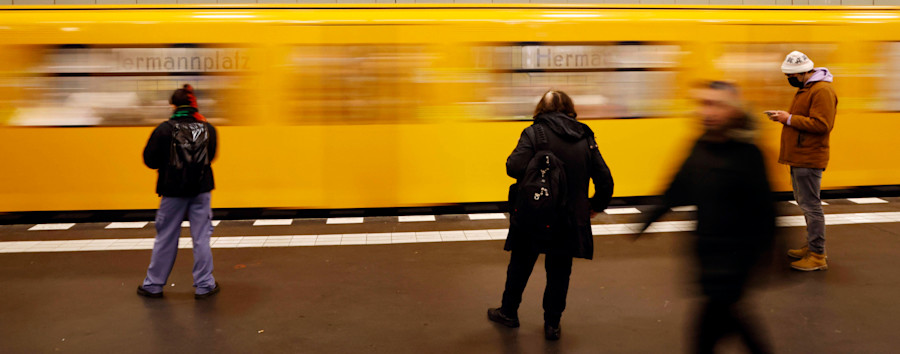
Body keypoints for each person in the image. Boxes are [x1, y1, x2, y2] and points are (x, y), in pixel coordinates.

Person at [639, 81, 775, 354]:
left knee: (707, 330)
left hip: (734, 260)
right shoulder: (699, 146)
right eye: (703, 103)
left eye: (716, 104)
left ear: (735, 111)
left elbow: (766, 210)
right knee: (729, 321)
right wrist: (649, 218)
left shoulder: (749, 154)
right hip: (707, 254)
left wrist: (766, 255)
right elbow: (677, 187)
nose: (706, 111)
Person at [488, 90, 614, 340]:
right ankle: (552, 325)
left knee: (521, 263)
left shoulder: (534, 133)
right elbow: (605, 179)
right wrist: (595, 206)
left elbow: (513, 167)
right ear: (569, 108)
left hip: (534, 211)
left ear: (540, 109)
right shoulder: (585, 135)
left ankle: (509, 312)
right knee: (559, 270)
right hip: (569, 218)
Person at [137, 84, 220, 299]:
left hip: (172, 193)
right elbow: (211, 156)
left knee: (166, 237)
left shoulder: (163, 130)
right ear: (194, 105)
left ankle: (153, 285)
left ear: (173, 105)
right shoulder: (208, 129)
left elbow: (149, 160)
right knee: (201, 237)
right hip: (201, 191)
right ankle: (204, 285)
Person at [765, 51, 837, 271]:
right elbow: (805, 118)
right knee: (806, 204)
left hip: (809, 156)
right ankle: (811, 246)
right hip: (800, 155)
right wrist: (786, 116)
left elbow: (822, 124)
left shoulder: (822, 90)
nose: (789, 80)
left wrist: (788, 119)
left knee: (811, 206)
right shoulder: (808, 88)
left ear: (803, 72)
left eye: (791, 75)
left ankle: (817, 255)